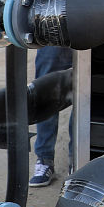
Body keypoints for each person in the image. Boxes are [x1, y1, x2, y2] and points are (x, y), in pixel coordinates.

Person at [30, 45, 73, 187]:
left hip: (90, 26)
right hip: (53, 29)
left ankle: (77, 162)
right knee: (46, 92)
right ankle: (45, 159)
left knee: (85, 94)